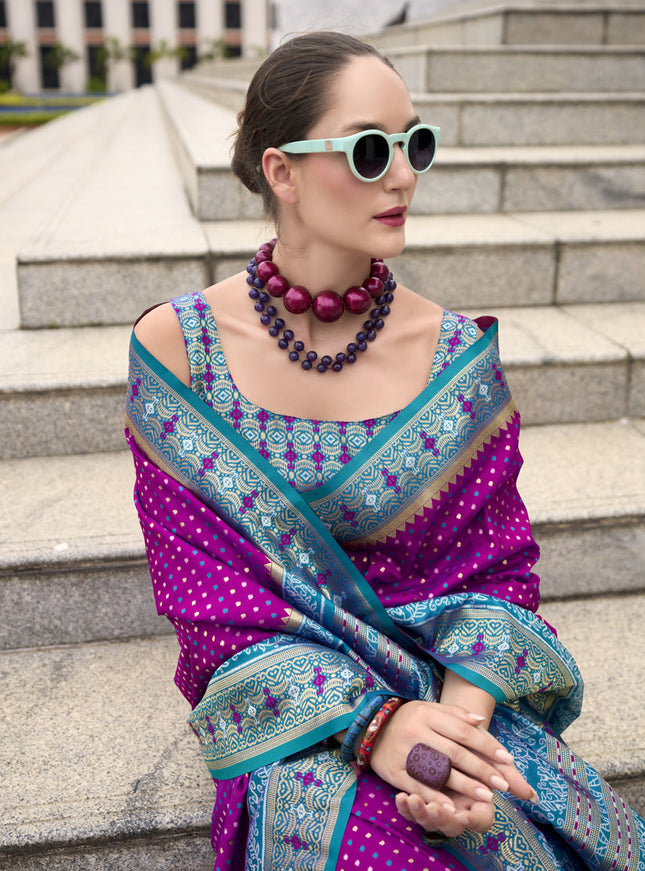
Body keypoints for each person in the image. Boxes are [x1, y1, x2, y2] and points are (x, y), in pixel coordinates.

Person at [125, 31, 645, 871]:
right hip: (292, 713)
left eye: (415, 144)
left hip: (447, 699)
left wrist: (458, 740)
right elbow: (209, 604)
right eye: (370, 150)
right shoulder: (177, 351)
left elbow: (496, 577)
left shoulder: (451, 355)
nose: (402, 175)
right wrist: (374, 725)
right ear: (282, 172)